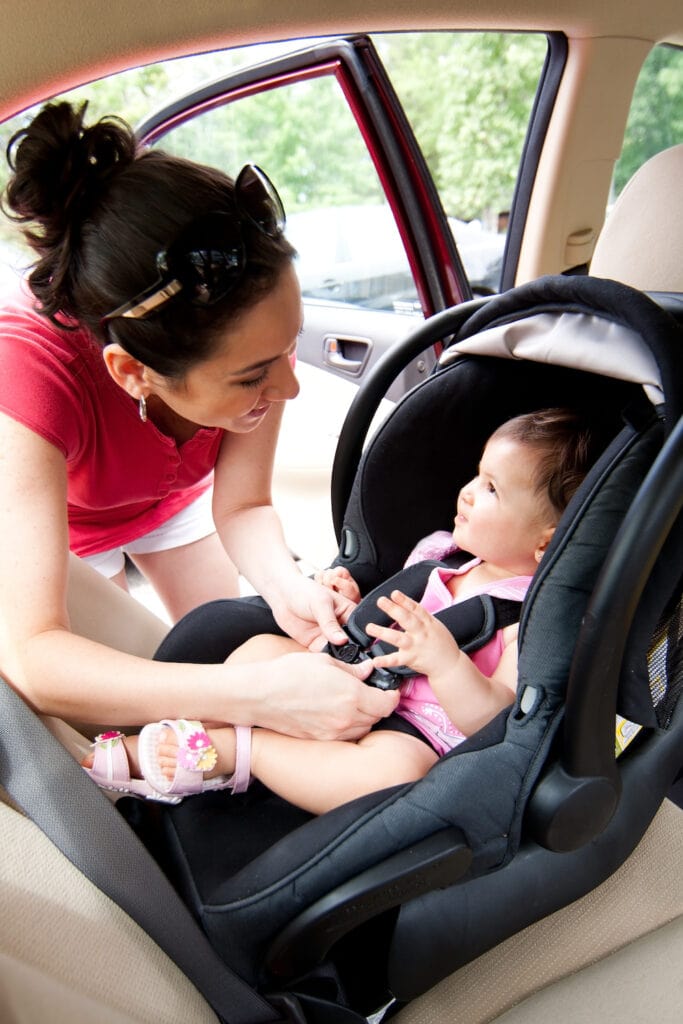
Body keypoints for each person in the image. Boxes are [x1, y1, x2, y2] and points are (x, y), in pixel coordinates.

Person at [0, 100, 398, 752]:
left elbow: (242, 506)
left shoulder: (252, 340)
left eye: (287, 348)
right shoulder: (27, 372)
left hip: (171, 502)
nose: (288, 387)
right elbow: (36, 656)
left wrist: (288, 589)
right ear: (132, 373)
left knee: (209, 642)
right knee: (122, 704)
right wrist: (262, 698)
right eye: (251, 377)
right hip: (67, 531)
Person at [88, 409, 598, 812]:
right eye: (476, 474)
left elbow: (496, 718)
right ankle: (188, 723)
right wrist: (350, 600)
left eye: (492, 489)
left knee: (395, 776)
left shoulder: (529, 620)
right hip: (349, 673)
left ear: (544, 544)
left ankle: (235, 753)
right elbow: (383, 616)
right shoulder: (441, 555)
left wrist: (445, 663)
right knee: (262, 648)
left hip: (415, 731)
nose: (466, 492)